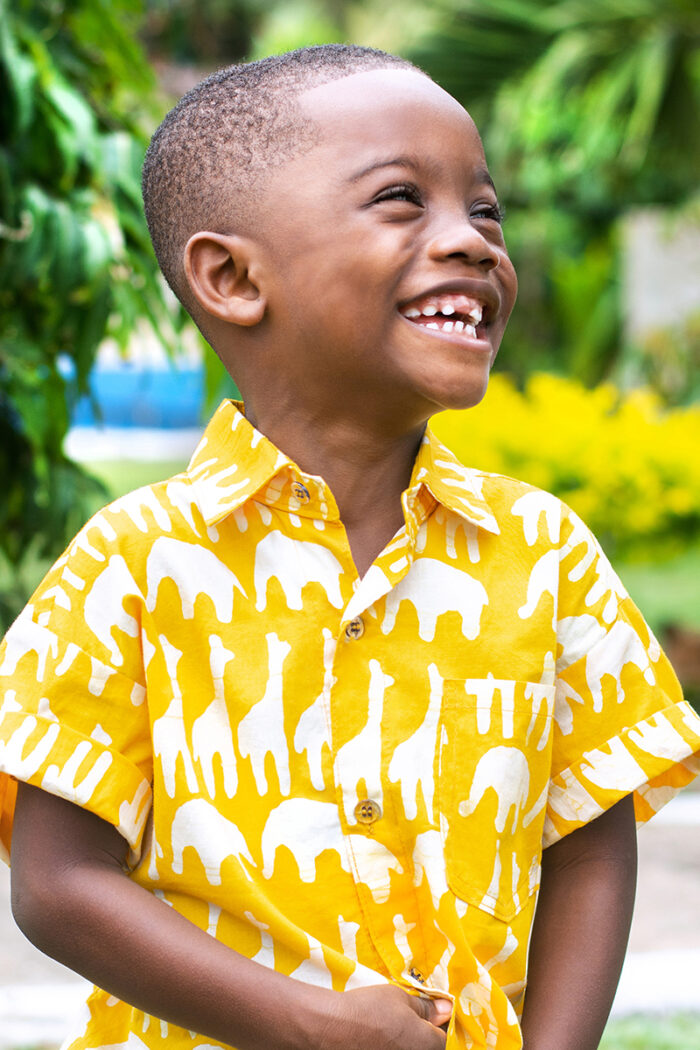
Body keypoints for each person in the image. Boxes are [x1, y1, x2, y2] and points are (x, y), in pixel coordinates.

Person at [1, 44, 699, 1050]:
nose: (471, 241)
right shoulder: (133, 563)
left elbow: (588, 842)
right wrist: (300, 1021)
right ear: (233, 277)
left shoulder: (544, 554)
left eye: (486, 209)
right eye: (402, 201)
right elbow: (58, 886)